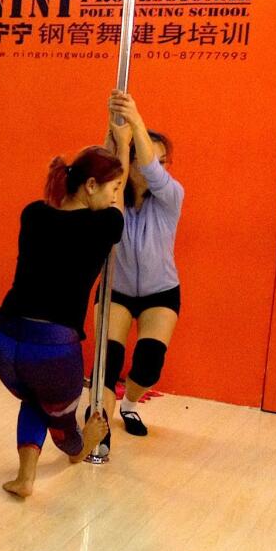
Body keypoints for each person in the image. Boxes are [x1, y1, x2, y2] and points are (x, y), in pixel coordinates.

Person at [0, 116, 133, 498]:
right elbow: (113, 207)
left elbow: (88, 193)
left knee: (33, 397)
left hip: (2, 339)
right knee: (64, 426)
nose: (115, 196)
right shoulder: (102, 228)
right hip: (51, 349)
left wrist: (108, 146)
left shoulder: (33, 214)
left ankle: (25, 477)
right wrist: (126, 143)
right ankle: (84, 446)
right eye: (113, 188)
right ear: (90, 186)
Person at [95, 90, 184, 443]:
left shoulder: (172, 197)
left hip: (160, 292)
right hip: (116, 289)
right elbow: (104, 165)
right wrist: (116, 129)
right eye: (149, 160)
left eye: (164, 162)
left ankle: (130, 402)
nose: (157, 169)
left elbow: (151, 171)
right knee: (108, 362)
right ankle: (97, 426)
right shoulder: (110, 196)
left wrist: (136, 120)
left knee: (149, 365)